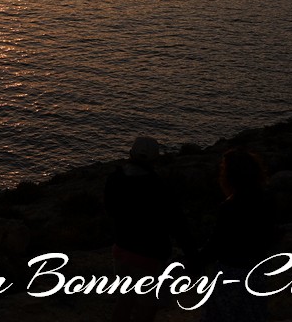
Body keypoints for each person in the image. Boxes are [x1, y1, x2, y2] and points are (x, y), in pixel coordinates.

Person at [104, 136, 194, 322]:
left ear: (130, 154)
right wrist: (193, 256)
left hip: (121, 250)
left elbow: (110, 210)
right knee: (148, 307)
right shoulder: (158, 187)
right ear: (155, 159)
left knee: (125, 301)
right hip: (149, 256)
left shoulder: (114, 179)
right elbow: (178, 224)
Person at [197, 147, 279, 322]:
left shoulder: (230, 206)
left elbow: (216, 242)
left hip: (230, 272)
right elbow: (272, 236)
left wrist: (195, 261)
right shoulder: (266, 201)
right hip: (256, 271)